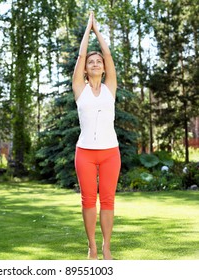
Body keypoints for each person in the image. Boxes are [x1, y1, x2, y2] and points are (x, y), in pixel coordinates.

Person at [72, 12, 121, 260]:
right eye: (91, 62)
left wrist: (97, 31)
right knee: (89, 200)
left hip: (110, 152)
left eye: (97, 62)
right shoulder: (79, 89)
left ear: (103, 68)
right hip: (85, 153)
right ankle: (92, 247)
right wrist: (87, 30)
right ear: (86, 69)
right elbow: (81, 56)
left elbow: (109, 55)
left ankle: (106, 247)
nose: (94, 63)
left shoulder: (109, 87)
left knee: (109, 200)